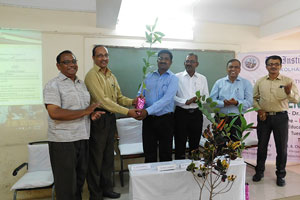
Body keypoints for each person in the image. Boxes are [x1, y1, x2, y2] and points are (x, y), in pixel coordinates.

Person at [43, 50, 103, 200]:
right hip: (63, 142)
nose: (71, 65)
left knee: (78, 183)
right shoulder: (53, 85)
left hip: (82, 138)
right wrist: (85, 111)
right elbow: (54, 113)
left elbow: (82, 110)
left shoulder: (81, 84)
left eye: (74, 61)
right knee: (66, 186)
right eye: (66, 62)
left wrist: (90, 114)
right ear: (58, 66)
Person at [84, 45, 139, 200]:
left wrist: (132, 101)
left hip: (110, 120)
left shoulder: (111, 75)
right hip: (99, 119)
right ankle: (95, 195)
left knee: (108, 157)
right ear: (93, 58)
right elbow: (104, 101)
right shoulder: (92, 76)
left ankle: (106, 189)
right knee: (96, 159)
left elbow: (119, 98)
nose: (103, 58)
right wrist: (128, 112)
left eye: (106, 55)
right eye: (100, 55)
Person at [252, 55, 299, 187]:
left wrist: (288, 92)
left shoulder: (288, 81)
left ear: (280, 66)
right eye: (271, 64)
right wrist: (259, 110)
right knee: (262, 146)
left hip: (280, 118)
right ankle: (259, 172)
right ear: (266, 66)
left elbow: (296, 100)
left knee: (281, 148)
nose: (273, 66)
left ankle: (281, 175)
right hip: (263, 117)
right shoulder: (260, 81)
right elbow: (254, 98)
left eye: (276, 64)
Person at [136, 49, 179, 163]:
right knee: (149, 154)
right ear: (157, 60)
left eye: (166, 59)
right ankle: (150, 180)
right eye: (160, 58)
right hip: (148, 120)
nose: (163, 61)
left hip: (166, 120)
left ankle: (165, 180)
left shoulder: (173, 78)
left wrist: (147, 111)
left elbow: (167, 99)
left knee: (166, 154)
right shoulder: (148, 76)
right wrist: (140, 107)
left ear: (171, 62)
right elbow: (140, 95)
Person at [174, 53, 209, 159]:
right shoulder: (176, 77)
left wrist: (199, 100)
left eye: (192, 61)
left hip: (196, 114)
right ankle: (179, 169)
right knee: (180, 143)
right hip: (181, 114)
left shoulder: (202, 78)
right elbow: (172, 96)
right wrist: (186, 101)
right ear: (184, 63)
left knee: (195, 144)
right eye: (187, 61)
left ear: (197, 64)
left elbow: (206, 96)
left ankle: (193, 169)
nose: (189, 63)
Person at [210, 59, 253, 141]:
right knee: (219, 145)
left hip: (237, 119)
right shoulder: (219, 83)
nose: (233, 69)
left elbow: (249, 102)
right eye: (231, 67)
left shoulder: (246, 83)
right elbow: (211, 101)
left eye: (236, 67)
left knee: (235, 147)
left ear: (240, 69)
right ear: (227, 69)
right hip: (221, 119)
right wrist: (223, 103)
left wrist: (237, 103)